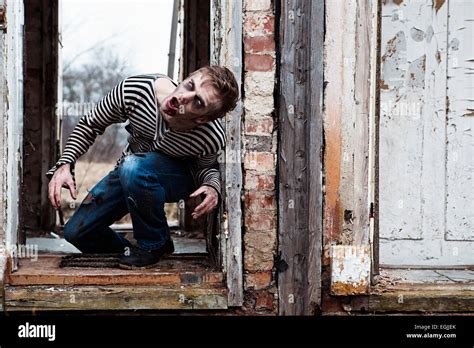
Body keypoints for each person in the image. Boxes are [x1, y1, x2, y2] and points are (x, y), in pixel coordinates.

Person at [47, 66, 239, 269]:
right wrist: (65, 163)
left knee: (134, 167)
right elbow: (90, 124)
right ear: (185, 78)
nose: (184, 97)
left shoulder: (211, 137)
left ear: (202, 118)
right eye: (190, 85)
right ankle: (139, 251)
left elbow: (206, 168)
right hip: (130, 171)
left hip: (175, 177)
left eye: (198, 101)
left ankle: (153, 244)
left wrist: (212, 185)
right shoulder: (136, 90)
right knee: (76, 232)